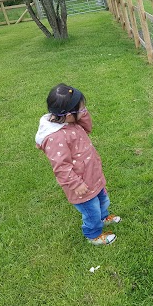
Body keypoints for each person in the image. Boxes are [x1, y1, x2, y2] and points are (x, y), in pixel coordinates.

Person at [35, 83, 121, 245]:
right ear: (68, 115)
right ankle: (93, 234)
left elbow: (88, 128)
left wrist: (82, 113)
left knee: (103, 200)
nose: (84, 111)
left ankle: (103, 217)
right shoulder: (55, 138)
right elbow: (61, 167)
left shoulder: (71, 122)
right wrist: (76, 184)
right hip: (80, 184)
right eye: (81, 109)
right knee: (91, 211)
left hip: (91, 174)